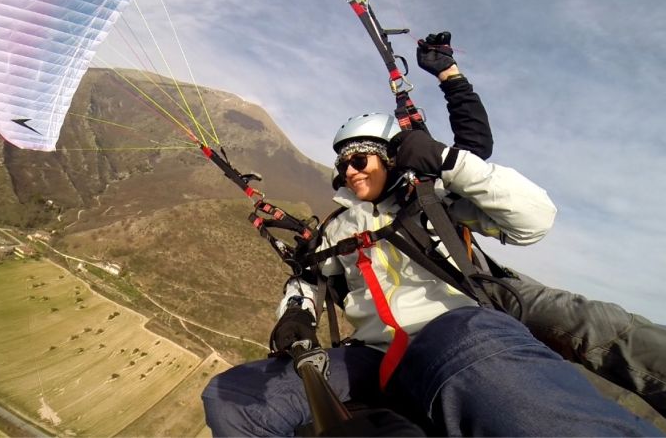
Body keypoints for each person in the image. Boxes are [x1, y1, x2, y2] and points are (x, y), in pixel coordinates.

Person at [201, 35, 664, 436]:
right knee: (232, 399)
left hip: (455, 326)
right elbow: (307, 281)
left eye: (360, 158)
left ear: (390, 158)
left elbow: (533, 219)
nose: (349, 169)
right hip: (372, 356)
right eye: (343, 162)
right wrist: (295, 315)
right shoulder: (334, 228)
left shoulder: (434, 202)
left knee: (570, 355)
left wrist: (447, 160)